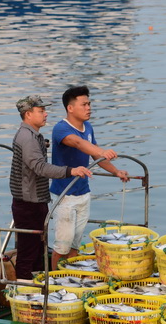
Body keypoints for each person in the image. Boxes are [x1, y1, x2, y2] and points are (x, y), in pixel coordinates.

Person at [10, 96, 92, 280]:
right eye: (41, 111)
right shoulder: (27, 137)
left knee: (38, 248)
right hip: (27, 203)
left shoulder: (33, 135)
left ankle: (39, 287)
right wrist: (71, 170)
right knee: (28, 251)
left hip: (36, 200)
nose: (45, 114)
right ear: (28, 114)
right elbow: (40, 167)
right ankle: (25, 290)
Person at [50, 85, 130, 268]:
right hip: (64, 195)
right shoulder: (61, 129)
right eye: (84, 104)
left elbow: (95, 157)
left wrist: (116, 171)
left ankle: (70, 277)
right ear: (70, 108)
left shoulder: (88, 126)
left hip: (83, 193)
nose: (89, 108)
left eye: (89, 104)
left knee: (75, 244)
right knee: (62, 245)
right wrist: (103, 151)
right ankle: (53, 280)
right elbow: (78, 143)